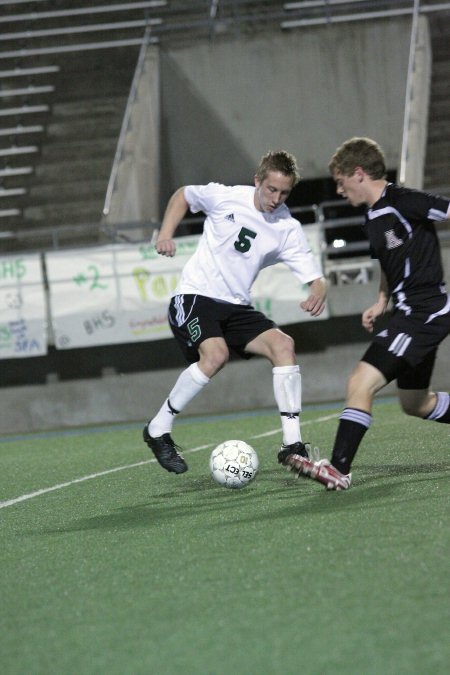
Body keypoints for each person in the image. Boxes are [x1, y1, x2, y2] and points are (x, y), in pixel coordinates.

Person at [143, 150, 327, 473]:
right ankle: (158, 429)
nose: (276, 198)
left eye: (284, 193)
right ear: (258, 180)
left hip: (236, 306)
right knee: (215, 356)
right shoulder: (226, 197)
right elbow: (183, 195)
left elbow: (316, 276)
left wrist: (318, 290)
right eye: (271, 189)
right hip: (196, 295)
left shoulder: (287, 227)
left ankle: (292, 446)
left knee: (283, 345)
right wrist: (165, 234)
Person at [286, 136, 450, 490]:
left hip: (424, 312)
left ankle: (339, 469)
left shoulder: (403, 201)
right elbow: (390, 266)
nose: (340, 191)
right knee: (416, 403)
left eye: (341, 183)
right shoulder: (373, 217)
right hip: (408, 313)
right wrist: (381, 301)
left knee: (360, 383)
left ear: (358, 173)